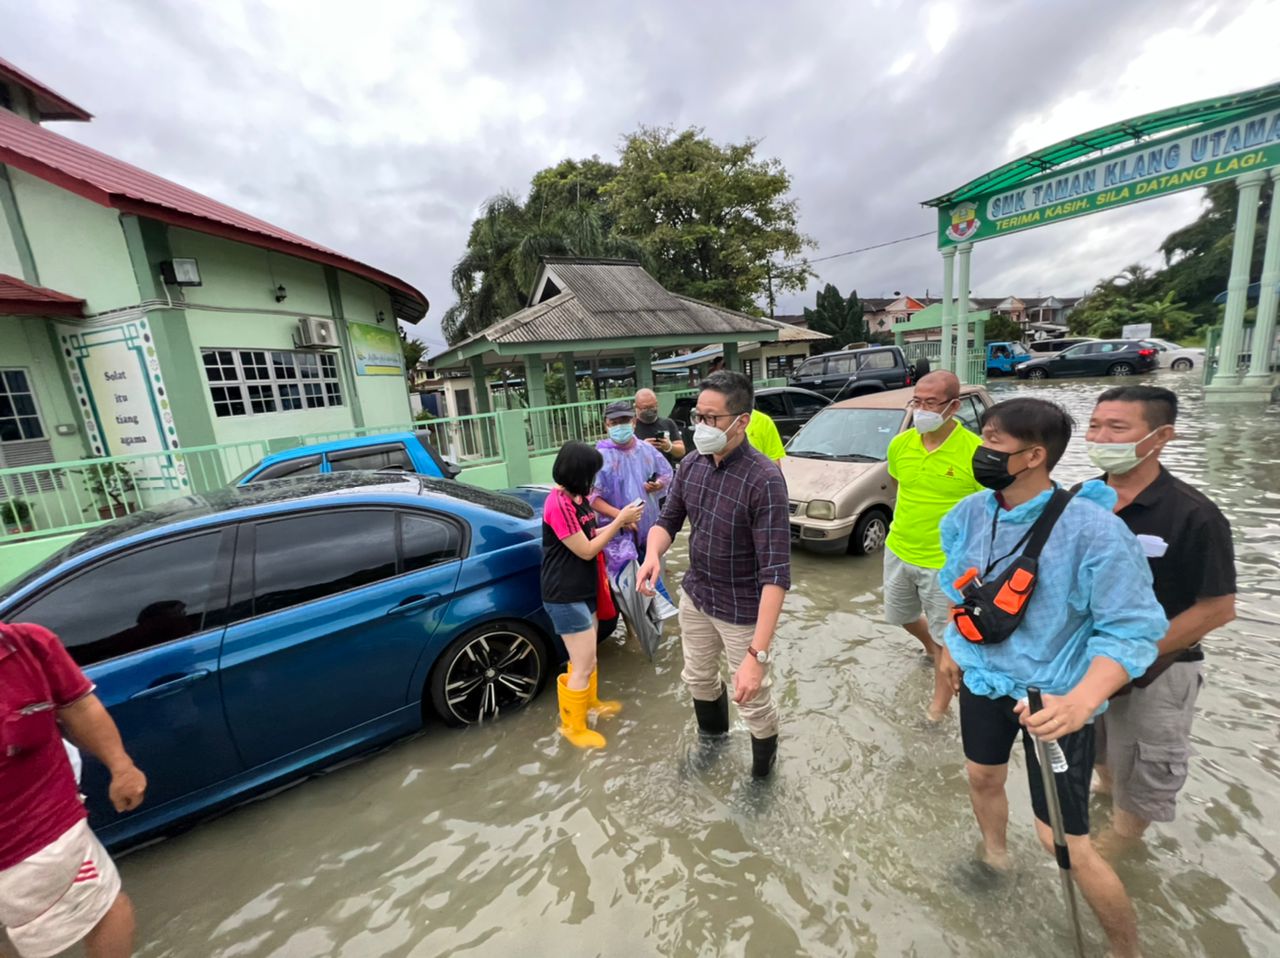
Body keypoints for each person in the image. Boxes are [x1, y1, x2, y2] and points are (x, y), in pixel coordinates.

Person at [936, 398, 1166, 958]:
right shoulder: (969, 514)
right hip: (985, 681)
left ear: (1035, 455)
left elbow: (1130, 632)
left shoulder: (1092, 530)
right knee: (981, 775)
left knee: (1061, 841)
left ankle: (1124, 948)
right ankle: (994, 855)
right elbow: (958, 589)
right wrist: (952, 650)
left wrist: (1084, 699)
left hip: (1054, 698)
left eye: (994, 443)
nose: (981, 452)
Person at [1084, 385, 1236, 857]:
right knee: (1101, 755)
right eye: (1095, 425)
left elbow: (1218, 608)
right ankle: (1106, 797)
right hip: (1087, 665)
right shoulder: (1079, 500)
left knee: (1147, 770)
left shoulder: (1194, 515)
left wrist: (1131, 655)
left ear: (1161, 436)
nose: (1101, 436)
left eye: (1117, 427)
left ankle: (1119, 846)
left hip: (1160, 668)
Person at [638, 371, 791, 779]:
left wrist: (758, 655)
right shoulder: (691, 464)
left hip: (742, 610)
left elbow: (776, 574)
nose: (701, 427)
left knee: (752, 697)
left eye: (712, 419)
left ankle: (762, 777)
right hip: (697, 596)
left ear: (742, 420)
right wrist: (653, 553)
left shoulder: (765, 480)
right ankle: (713, 746)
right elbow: (668, 520)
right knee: (699, 679)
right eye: (697, 418)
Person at [0, 621, 147, 958]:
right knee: (109, 913)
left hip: (45, 832)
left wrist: (121, 766)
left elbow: (79, 707)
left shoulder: (27, 645)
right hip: (23, 843)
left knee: (107, 909)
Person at [883, 371, 982, 720]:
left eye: (930, 403)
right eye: (916, 401)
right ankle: (928, 646)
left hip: (947, 565)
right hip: (899, 548)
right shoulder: (900, 444)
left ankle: (936, 713)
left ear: (953, 406)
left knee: (948, 642)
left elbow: (985, 516)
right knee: (902, 616)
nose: (920, 409)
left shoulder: (975, 452)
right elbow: (899, 488)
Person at [542, 442, 645, 750]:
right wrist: (619, 519)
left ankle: (590, 704)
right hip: (564, 593)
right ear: (580, 472)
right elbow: (586, 550)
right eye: (592, 472)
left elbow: (589, 535)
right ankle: (572, 727)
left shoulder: (577, 498)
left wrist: (618, 523)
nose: (595, 478)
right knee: (582, 663)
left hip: (583, 588)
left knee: (587, 659)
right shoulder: (557, 504)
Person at [590, 400, 674, 578]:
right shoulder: (600, 457)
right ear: (606, 425)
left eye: (624, 421)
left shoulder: (646, 450)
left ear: (634, 422)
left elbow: (666, 474)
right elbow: (592, 498)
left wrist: (657, 484)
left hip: (649, 529)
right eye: (614, 423)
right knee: (625, 591)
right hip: (616, 535)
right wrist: (621, 518)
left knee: (654, 586)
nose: (620, 426)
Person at [633, 388, 685, 466]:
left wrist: (669, 447)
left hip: (666, 474)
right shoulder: (631, 427)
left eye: (652, 407)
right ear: (636, 407)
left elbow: (681, 451)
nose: (649, 411)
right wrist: (642, 448)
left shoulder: (668, 423)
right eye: (645, 408)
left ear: (657, 404)